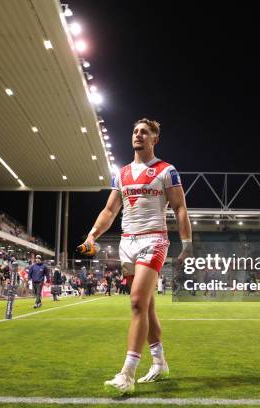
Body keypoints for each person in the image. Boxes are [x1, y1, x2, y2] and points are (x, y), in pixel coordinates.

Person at [80, 118, 192, 394]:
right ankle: (159, 362)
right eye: (135, 131)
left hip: (154, 239)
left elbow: (179, 208)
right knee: (147, 306)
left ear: (155, 139)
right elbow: (109, 211)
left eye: (145, 132)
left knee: (137, 302)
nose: (138, 135)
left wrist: (187, 244)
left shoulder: (167, 170)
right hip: (126, 243)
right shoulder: (122, 173)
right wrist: (93, 234)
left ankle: (127, 373)